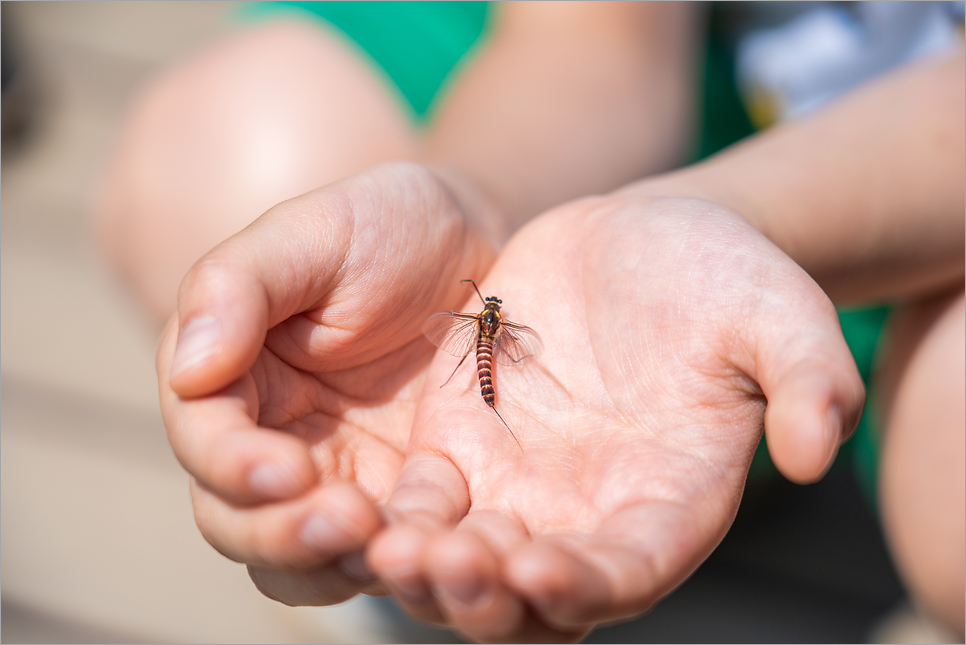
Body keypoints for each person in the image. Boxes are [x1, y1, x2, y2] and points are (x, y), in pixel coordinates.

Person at [97, 2, 964, 642]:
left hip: (901, 191)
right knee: (215, 168)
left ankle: (726, 466)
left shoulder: (490, 327)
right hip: (690, 101)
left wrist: (743, 215)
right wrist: (479, 197)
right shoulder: (493, 319)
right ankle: (412, 554)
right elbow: (592, 43)